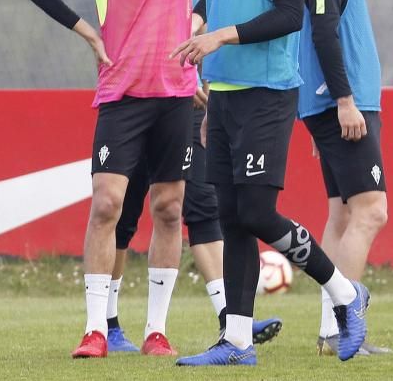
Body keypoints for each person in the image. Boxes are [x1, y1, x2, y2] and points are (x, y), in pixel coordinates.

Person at [171, 0, 368, 366]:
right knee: (232, 217)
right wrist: (198, 30)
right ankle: (236, 340)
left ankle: (346, 294)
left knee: (257, 211)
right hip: (227, 97)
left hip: (268, 93)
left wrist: (218, 36)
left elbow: (290, 13)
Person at [24, 0, 206, 359]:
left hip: (175, 96)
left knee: (169, 209)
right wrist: (88, 34)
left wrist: (197, 25)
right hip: (122, 97)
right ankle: (95, 330)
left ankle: (156, 331)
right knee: (107, 204)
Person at [107, 79, 283, 351]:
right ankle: (109, 325)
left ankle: (228, 318)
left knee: (201, 209)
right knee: (122, 214)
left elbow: (207, 40)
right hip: (138, 94)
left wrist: (204, 82)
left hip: (190, 103)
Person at [297, 0, 393, 356]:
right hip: (343, 105)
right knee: (372, 212)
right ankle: (346, 323)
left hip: (336, 105)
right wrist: (341, 100)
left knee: (342, 215)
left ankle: (332, 332)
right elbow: (321, 31)